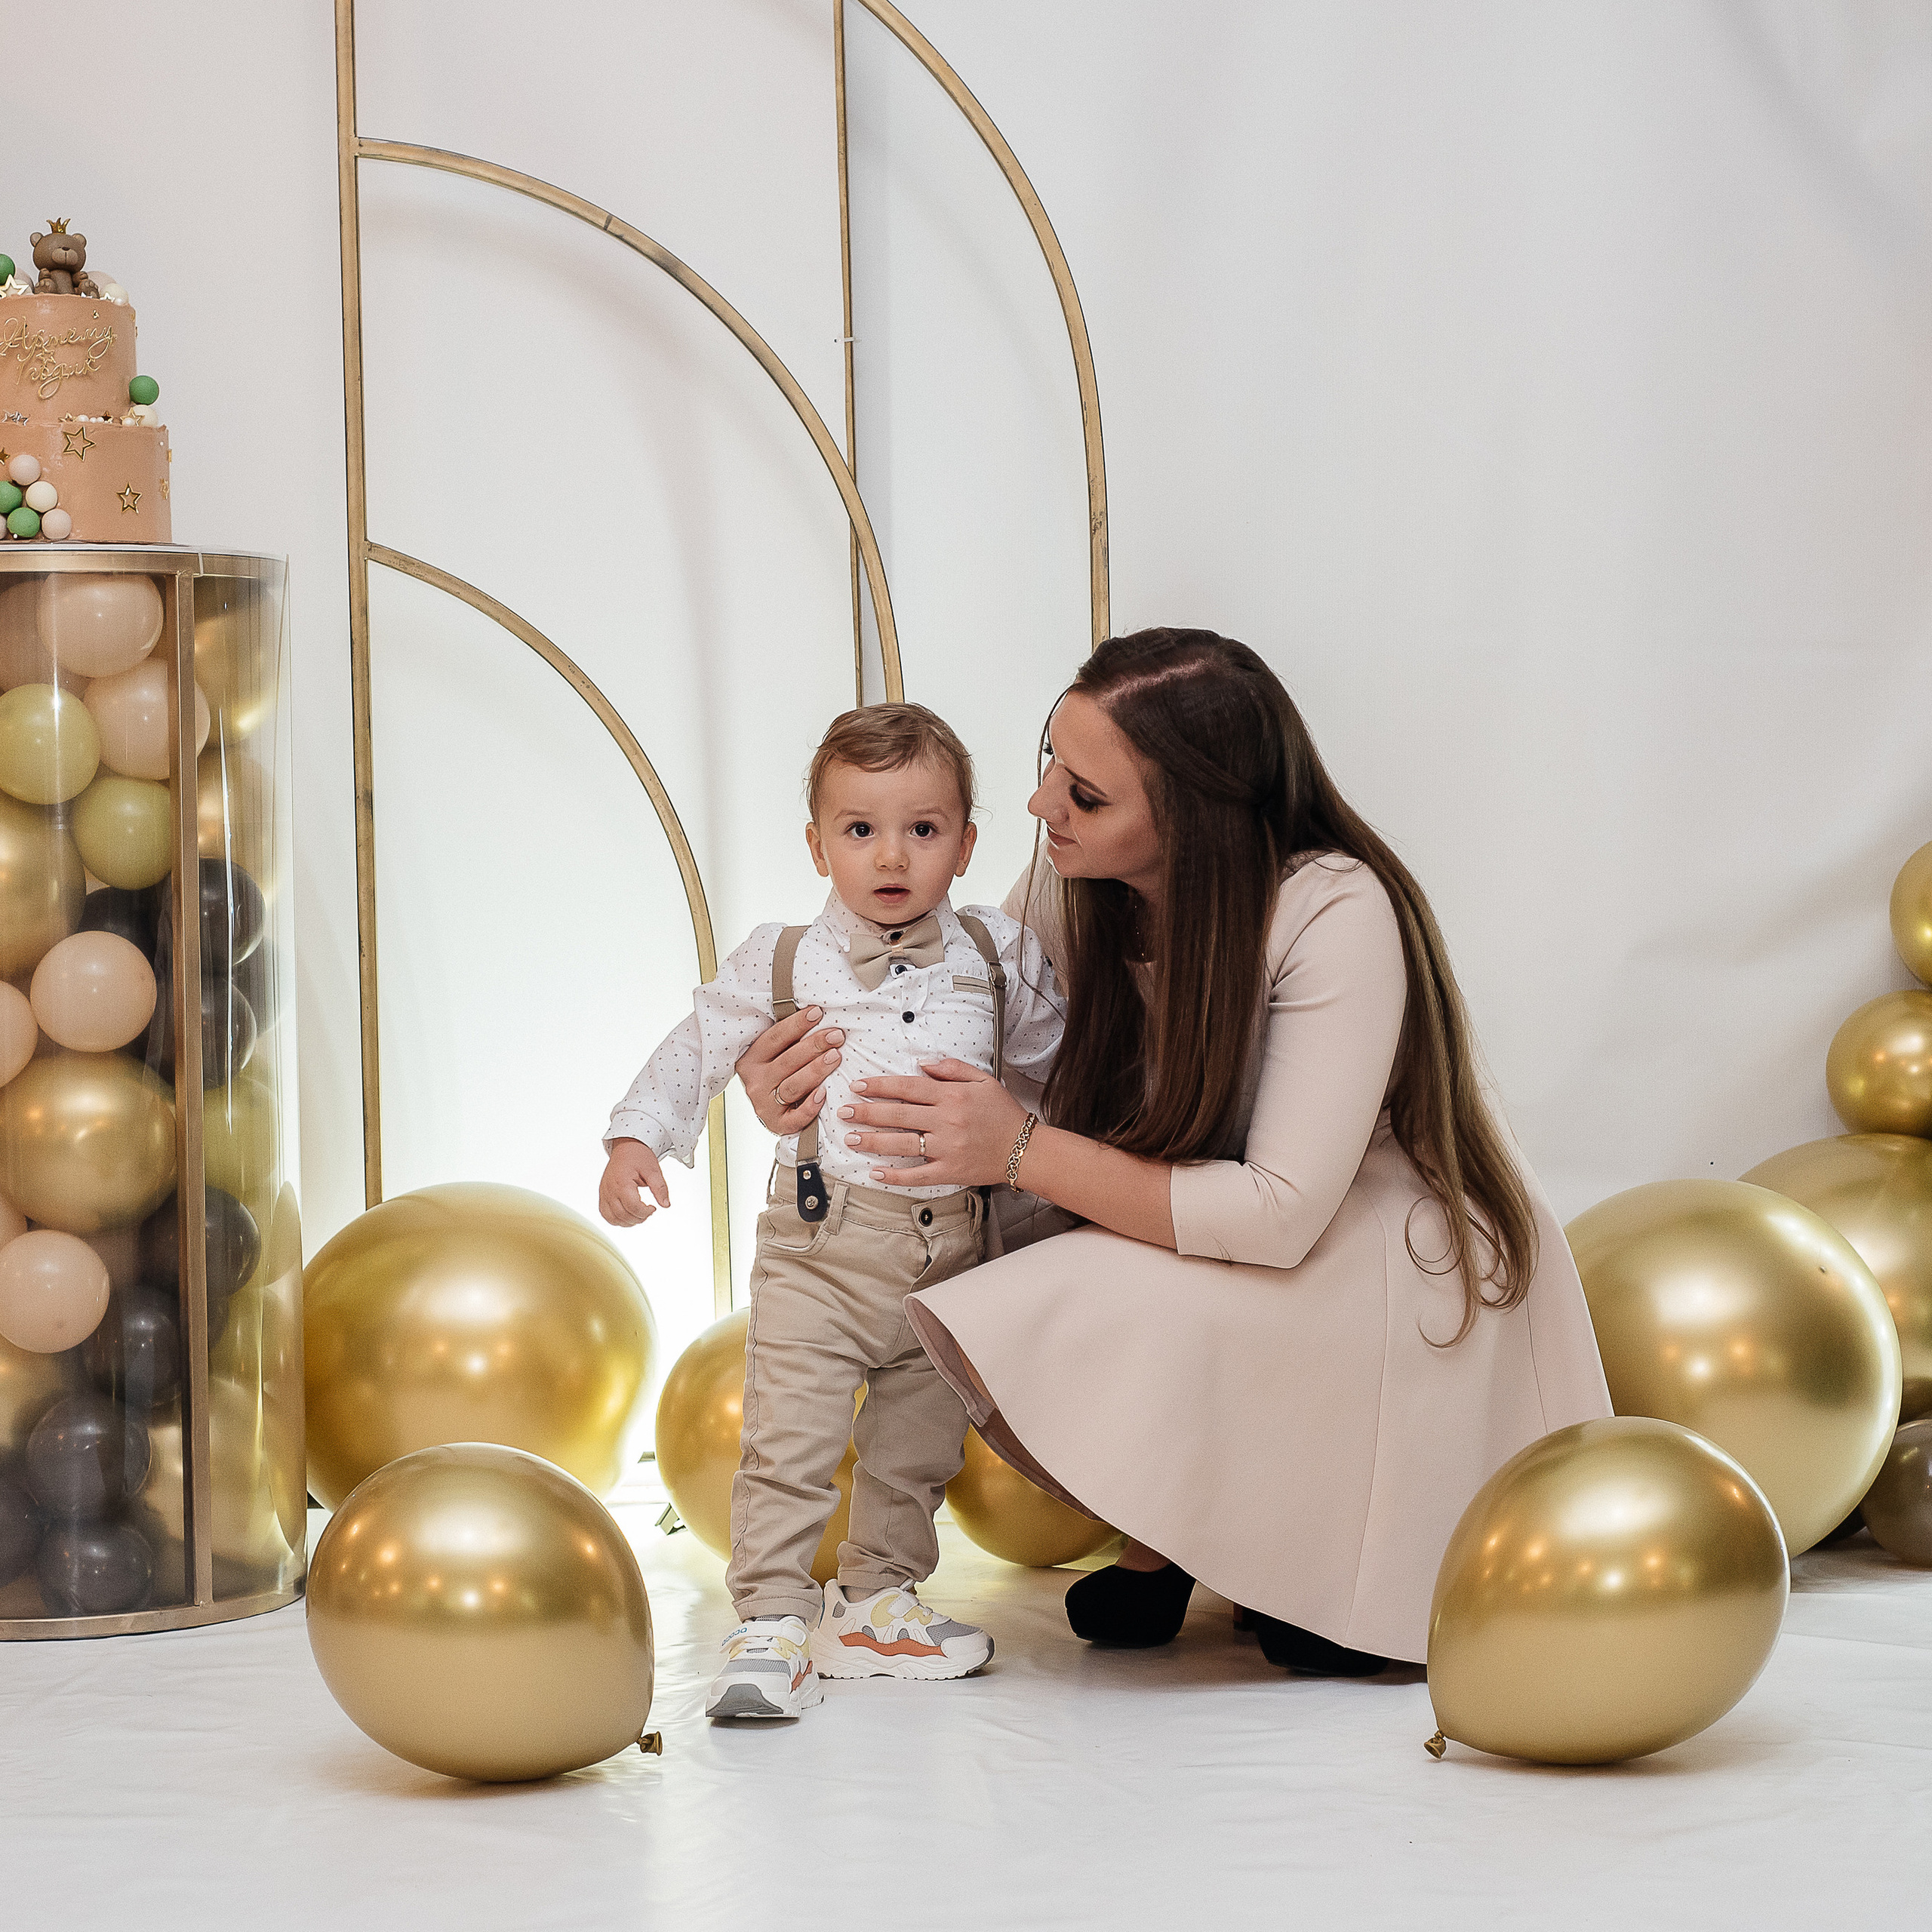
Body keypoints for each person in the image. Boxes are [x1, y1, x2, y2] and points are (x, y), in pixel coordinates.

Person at [736, 629, 1611, 1673]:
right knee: (986, 1246)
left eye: (1086, 795)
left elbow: (1278, 1213)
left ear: (1192, 820)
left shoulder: (1332, 908)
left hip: (1367, 1248)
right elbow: (965, 1031)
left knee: (1093, 1274)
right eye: (1050, 762)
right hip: (1201, 1200)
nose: (1041, 806)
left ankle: (1300, 1546)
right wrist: (797, 1074)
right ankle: (1182, 1538)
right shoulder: (1071, 875)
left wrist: (1019, 1151)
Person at [599, 703, 1061, 1719]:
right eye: (860, 829)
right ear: (817, 846)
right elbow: (696, 1047)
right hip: (823, 1242)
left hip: (954, 1249)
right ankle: (769, 1619)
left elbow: (1055, 1066)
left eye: (923, 829)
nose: (891, 855)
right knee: (791, 1441)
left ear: (966, 846)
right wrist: (638, 1137)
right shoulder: (781, 959)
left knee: (917, 1445)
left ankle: (875, 1604)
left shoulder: (997, 953)